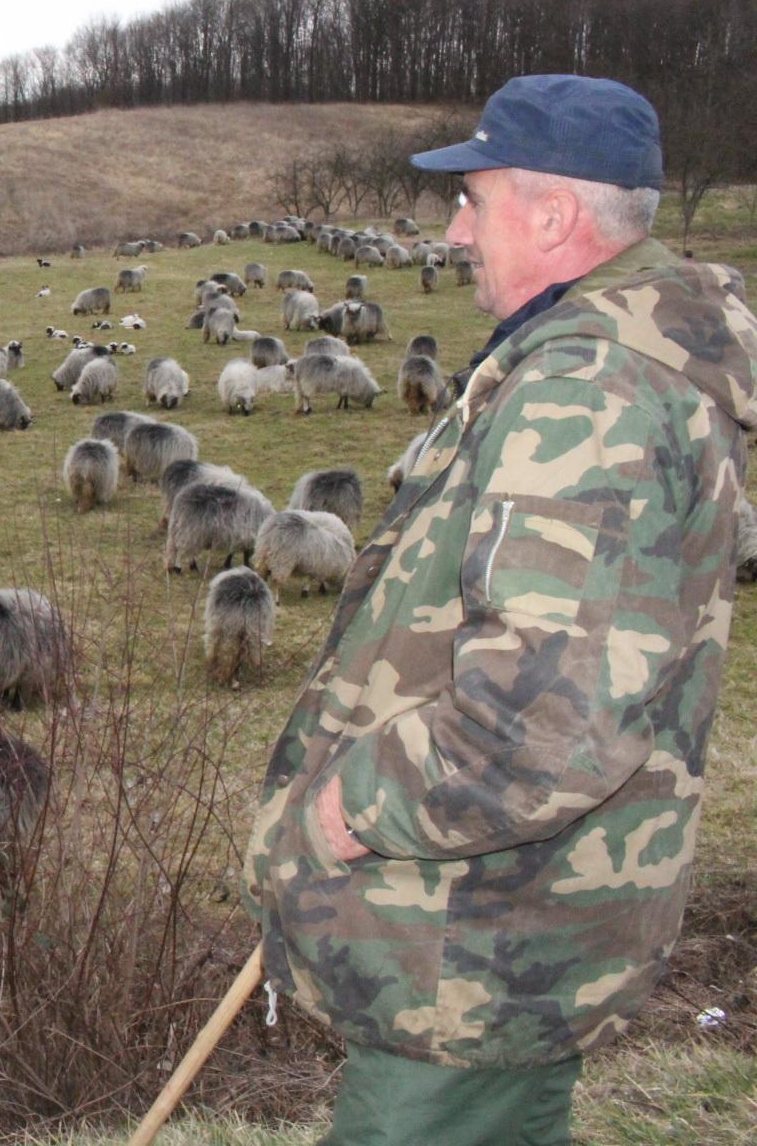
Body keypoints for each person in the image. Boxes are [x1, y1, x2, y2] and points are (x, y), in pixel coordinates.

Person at [243, 74, 757, 1146]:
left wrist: (345, 805)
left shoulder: (592, 394)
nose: (455, 228)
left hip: (474, 946)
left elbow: (543, 721)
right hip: (502, 924)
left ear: (555, 215)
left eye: (473, 200)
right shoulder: (606, 361)